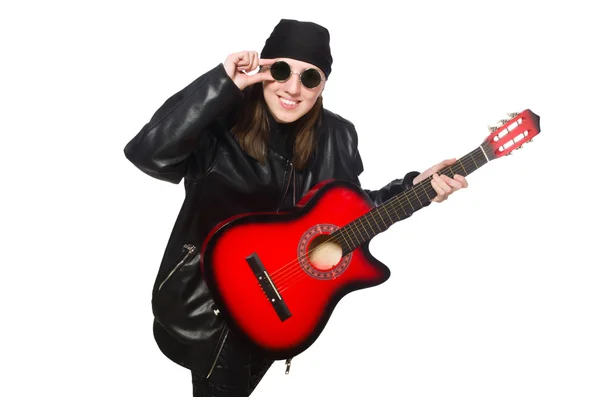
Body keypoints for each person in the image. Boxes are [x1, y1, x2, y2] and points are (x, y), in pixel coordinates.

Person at [124, 18, 468, 397]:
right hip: (210, 301)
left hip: (284, 305)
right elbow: (147, 154)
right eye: (282, 70)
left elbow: (347, 214)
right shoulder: (222, 118)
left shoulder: (338, 135)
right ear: (262, 70)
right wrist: (222, 85)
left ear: (323, 85)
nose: (292, 88)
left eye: (309, 78)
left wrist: (416, 188)